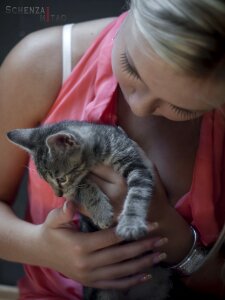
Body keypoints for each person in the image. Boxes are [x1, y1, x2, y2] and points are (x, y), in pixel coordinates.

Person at [1, 0, 225, 299]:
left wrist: (178, 240)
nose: (139, 107)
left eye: (182, 107)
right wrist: (42, 248)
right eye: (131, 67)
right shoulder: (41, 63)